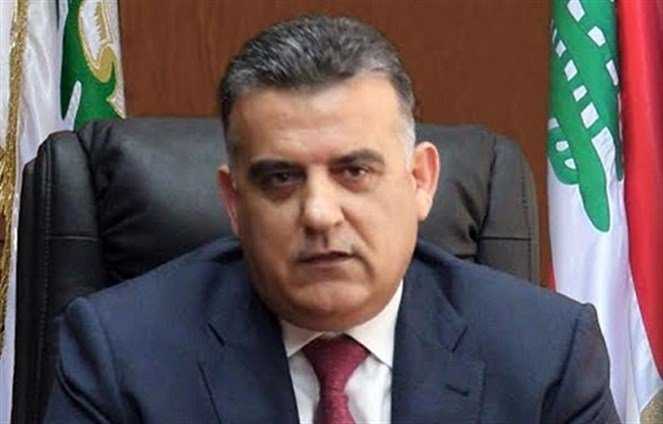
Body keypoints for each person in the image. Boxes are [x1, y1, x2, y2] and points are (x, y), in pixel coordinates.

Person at [44, 15, 619, 423]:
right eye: (280, 178)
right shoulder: (121, 353)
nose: (319, 213)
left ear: (420, 181)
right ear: (233, 202)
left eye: (354, 171)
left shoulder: (545, 355)